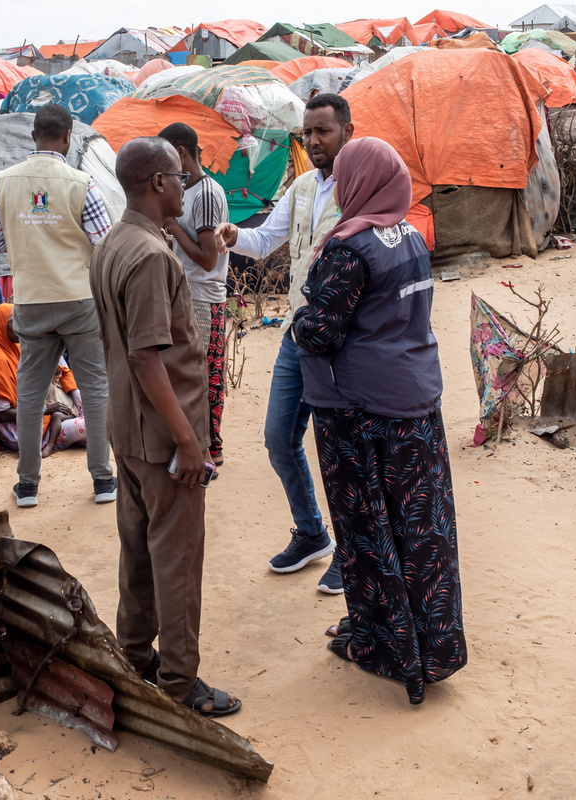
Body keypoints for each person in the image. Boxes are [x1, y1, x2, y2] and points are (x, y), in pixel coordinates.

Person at [292, 137, 466, 705]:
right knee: (423, 531)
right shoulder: (410, 235)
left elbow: (320, 332)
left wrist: (298, 317)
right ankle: (433, 644)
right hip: (414, 400)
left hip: (359, 413)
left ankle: (385, 646)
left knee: (370, 530)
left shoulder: (350, 249)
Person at [90, 137, 240, 718]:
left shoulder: (115, 243)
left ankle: (134, 655)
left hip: (126, 431)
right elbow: (147, 357)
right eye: (179, 177)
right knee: (176, 560)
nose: (187, 185)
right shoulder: (152, 256)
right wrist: (188, 440)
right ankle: (178, 683)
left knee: (138, 553)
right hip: (161, 437)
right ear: (157, 184)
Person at [214, 93, 353, 593]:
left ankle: (353, 550)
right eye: (308, 133)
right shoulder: (300, 187)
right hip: (298, 334)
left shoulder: (360, 187)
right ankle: (314, 532)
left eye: (324, 131)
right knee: (279, 438)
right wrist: (232, 235)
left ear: (347, 132)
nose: (314, 141)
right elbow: (265, 240)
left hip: (343, 342)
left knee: (340, 449)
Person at [0, 103, 115, 508]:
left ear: (33, 136)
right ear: (67, 137)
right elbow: (105, 243)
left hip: (31, 300)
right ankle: (102, 479)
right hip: (79, 299)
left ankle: (27, 485)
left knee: (30, 391)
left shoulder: (3, 183)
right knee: (94, 389)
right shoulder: (82, 183)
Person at [157, 122, 230, 466]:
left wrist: (171, 226)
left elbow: (207, 257)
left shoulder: (207, 194)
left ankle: (209, 447)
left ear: (182, 153)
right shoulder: (189, 191)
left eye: (168, 157)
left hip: (204, 295)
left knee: (205, 375)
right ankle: (199, 445)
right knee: (191, 372)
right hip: (190, 292)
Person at [0, 302, 88, 456]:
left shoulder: (22, 350)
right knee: (96, 426)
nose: (21, 326)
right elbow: (1, 414)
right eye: (14, 322)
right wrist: (45, 409)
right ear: (0, 326)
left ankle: (82, 416)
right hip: (23, 432)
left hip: (50, 418)